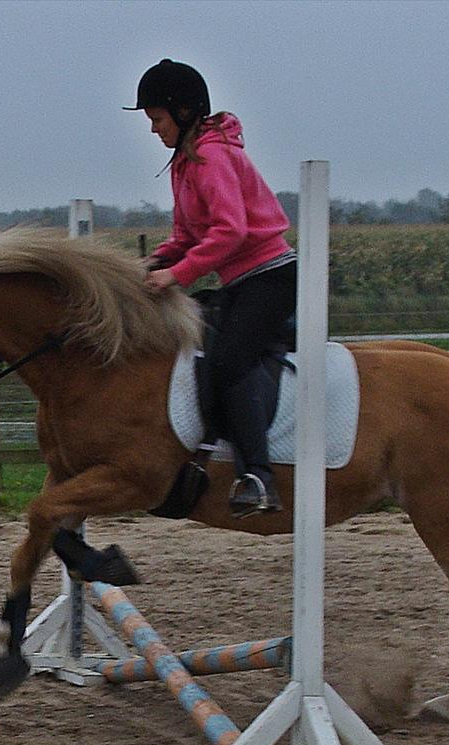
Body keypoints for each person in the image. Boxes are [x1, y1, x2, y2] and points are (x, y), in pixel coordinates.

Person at [125, 58, 297, 518]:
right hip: (241, 281)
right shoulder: (185, 161)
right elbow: (186, 237)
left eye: (156, 119)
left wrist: (177, 276)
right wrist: (152, 263)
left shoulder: (212, 156)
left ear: (182, 114)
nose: (153, 129)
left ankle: (260, 475)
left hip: (270, 278)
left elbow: (230, 232)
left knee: (227, 361)